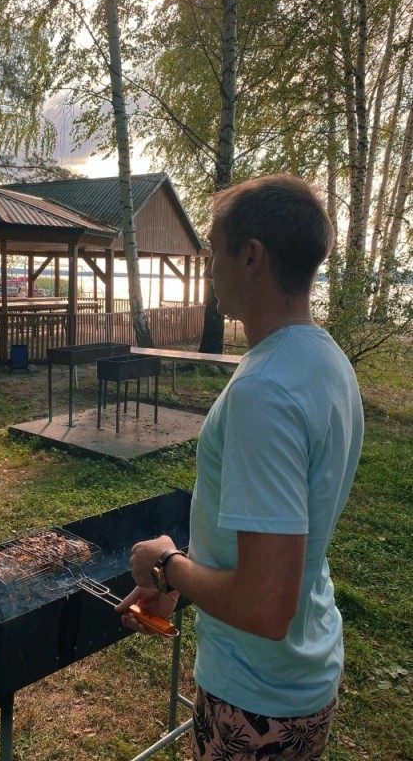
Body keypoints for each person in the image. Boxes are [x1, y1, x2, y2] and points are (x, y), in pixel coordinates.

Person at [115, 175, 364, 760]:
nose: (207, 267)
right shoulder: (325, 360)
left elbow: (263, 606)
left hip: (257, 700)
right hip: (301, 675)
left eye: (211, 250)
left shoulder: (266, 390)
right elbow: (277, 553)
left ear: (251, 255)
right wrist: (191, 579)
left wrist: (168, 566)